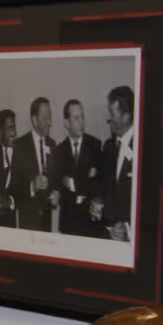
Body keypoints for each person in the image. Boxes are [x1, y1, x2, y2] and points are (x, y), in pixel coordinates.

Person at [49, 99, 105, 237]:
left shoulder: (96, 146)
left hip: (91, 225)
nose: (81, 122)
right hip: (68, 225)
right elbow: (55, 185)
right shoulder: (58, 151)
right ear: (66, 123)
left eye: (82, 117)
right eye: (76, 118)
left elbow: (101, 183)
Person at [9, 97, 58, 232]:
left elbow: (54, 181)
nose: (50, 122)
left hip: (47, 224)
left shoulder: (52, 145)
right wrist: (32, 186)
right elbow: (13, 188)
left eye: (50, 117)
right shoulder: (19, 146)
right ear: (34, 120)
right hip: (28, 224)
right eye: (45, 118)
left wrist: (56, 193)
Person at [98, 86, 136, 242]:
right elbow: (107, 188)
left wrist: (128, 230)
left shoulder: (143, 148)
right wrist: (99, 205)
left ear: (126, 116)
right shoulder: (109, 147)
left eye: (112, 113)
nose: (108, 118)